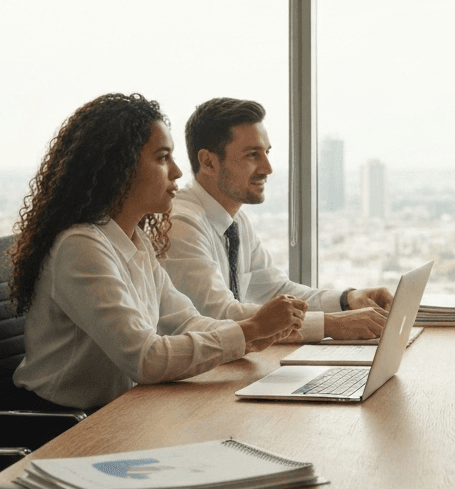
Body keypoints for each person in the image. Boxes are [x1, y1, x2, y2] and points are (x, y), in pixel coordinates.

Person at [9, 93, 302, 411]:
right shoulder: (80, 247)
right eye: (163, 158)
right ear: (119, 168)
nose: (177, 171)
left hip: (121, 411)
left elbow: (185, 321)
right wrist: (251, 330)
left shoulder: (136, 241)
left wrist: (253, 335)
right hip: (59, 428)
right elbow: (145, 359)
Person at [160, 98, 392, 343]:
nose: (267, 168)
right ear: (208, 162)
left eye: (266, 153)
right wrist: (330, 324)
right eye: (252, 155)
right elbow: (219, 314)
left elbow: (278, 292)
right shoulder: (182, 225)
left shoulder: (235, 221)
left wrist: (347, 300)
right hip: (195, 377)